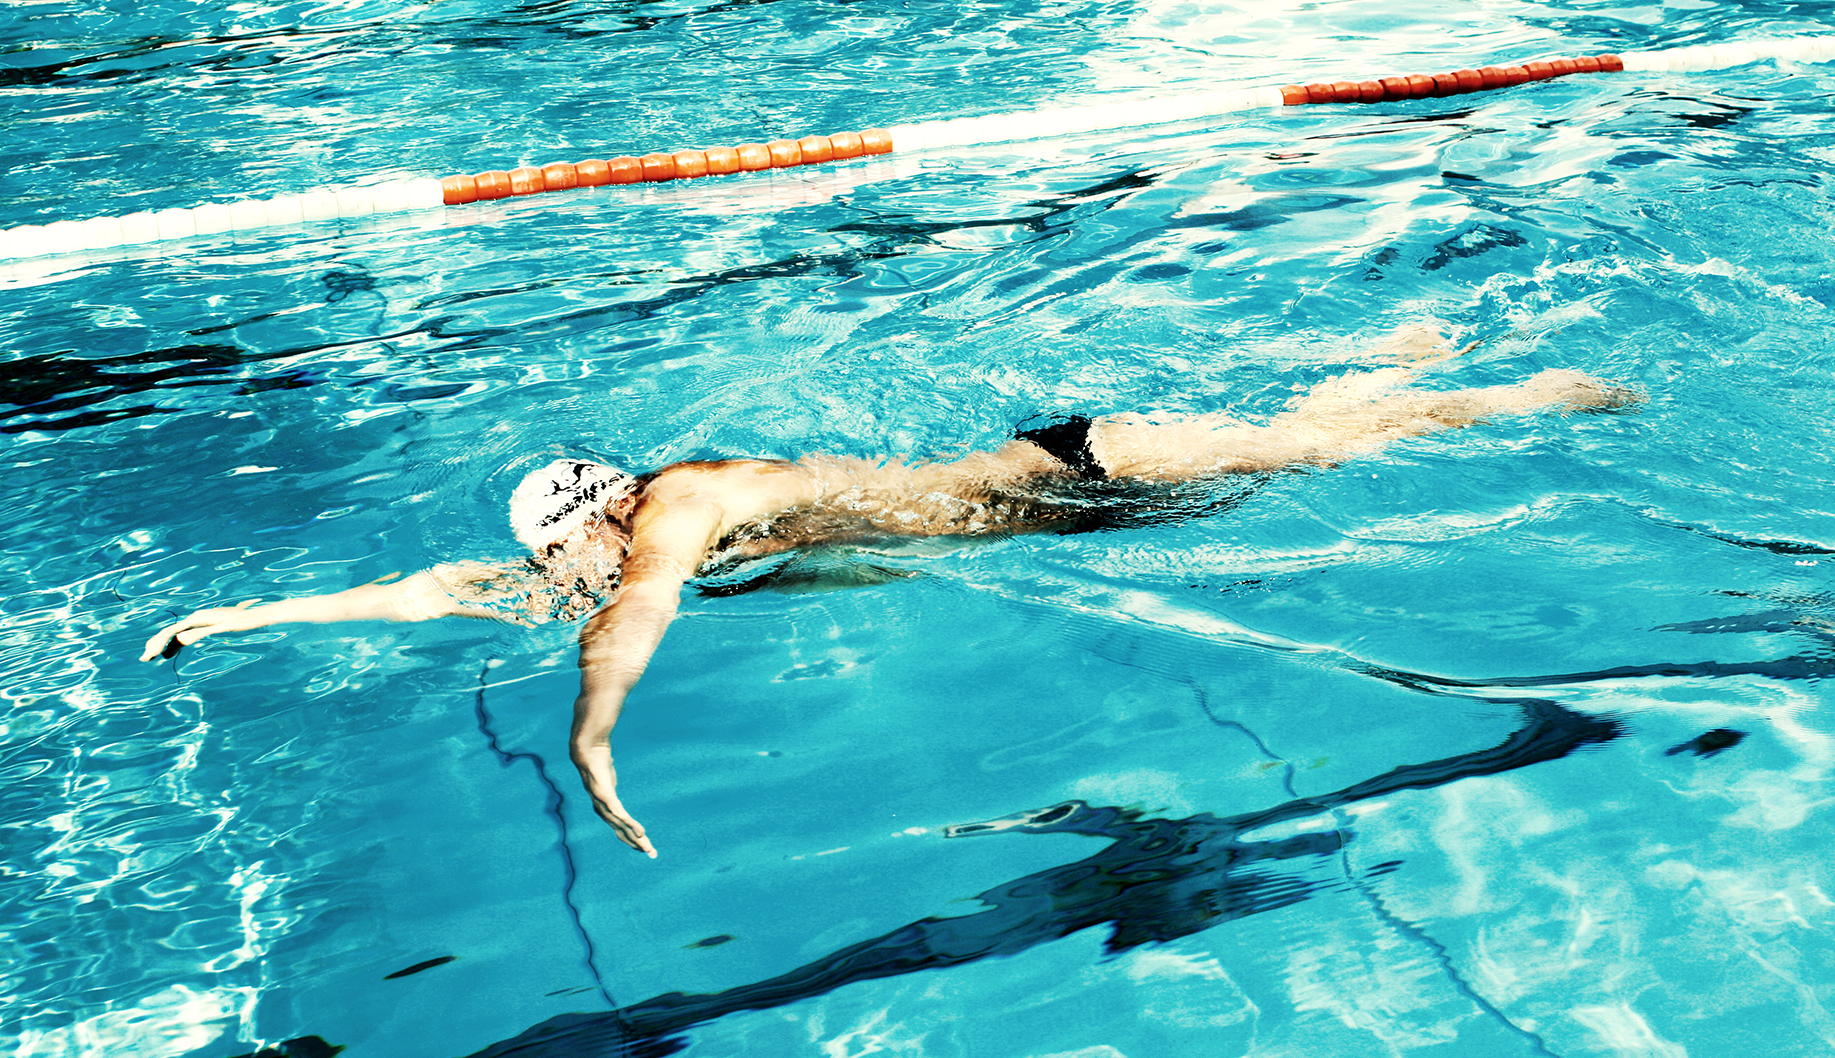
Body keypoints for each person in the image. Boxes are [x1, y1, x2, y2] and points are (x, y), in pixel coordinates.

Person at [140, 329, 1636, 856]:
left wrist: (595, 736)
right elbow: (431, 592)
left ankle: (1526, 386)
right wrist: (244, 618)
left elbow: (637, 609)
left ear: (595, 517)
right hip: (1060, 527)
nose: (556, 583)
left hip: (1081, 468)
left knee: (1333, 448)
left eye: (559, 561)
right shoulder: (641, 541)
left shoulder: (682, 508)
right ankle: (1406, 364)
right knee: (1313, 445)